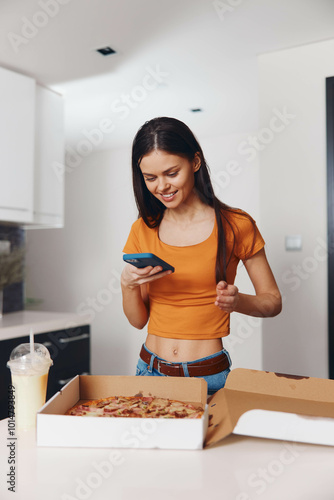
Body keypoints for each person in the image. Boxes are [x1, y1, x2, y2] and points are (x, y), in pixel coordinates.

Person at [121, 117, 282, 395]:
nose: (162, 187)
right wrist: (127, 285)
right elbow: (138, 320)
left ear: (195, 162)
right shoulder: (143, 228)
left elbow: (273, 302)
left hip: (206, 376)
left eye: (172, 173)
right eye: (150, 178)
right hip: (148, 369)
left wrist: (237, 300)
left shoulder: (236, 224)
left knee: (206, 441)